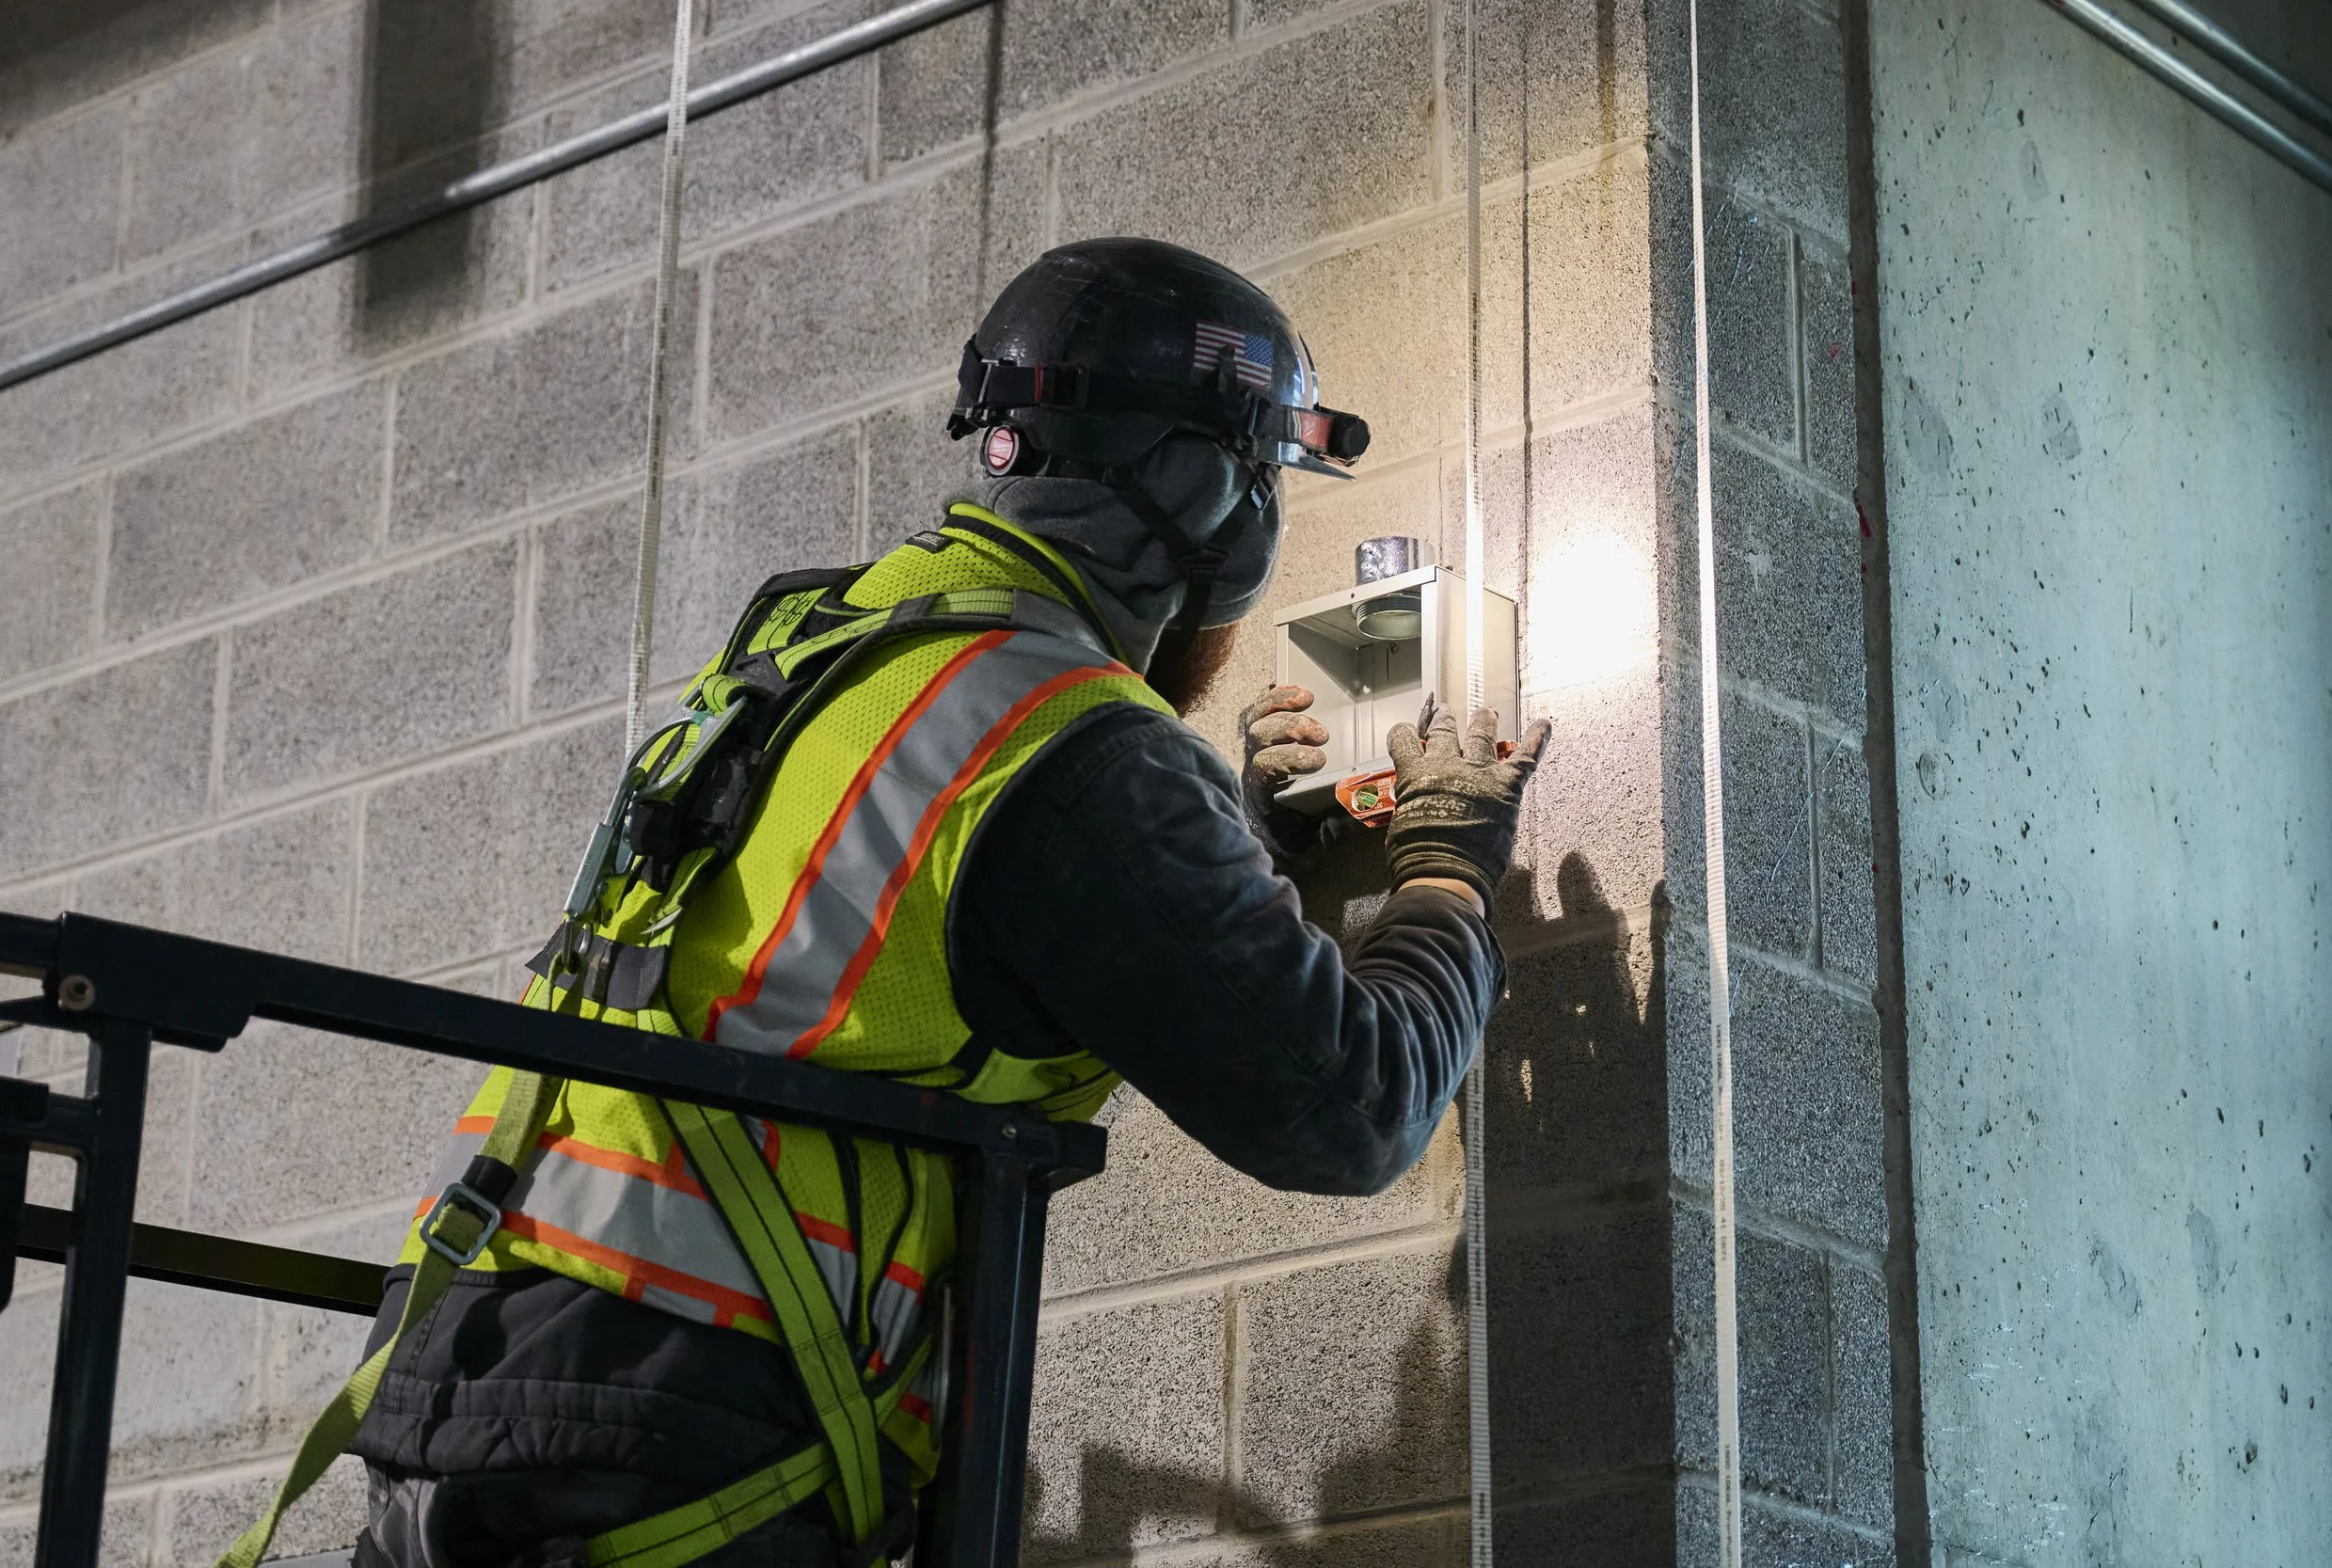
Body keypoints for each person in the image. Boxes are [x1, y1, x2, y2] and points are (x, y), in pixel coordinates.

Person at [269, 238, 1548, 1568]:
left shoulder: (823, 653)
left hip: (447, 1384)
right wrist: (1448, 860)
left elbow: (912, 943)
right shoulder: (1070, 741)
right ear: (1222, 510)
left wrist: (1223, 842)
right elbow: (1349, 1105)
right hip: (669, 1430)